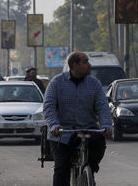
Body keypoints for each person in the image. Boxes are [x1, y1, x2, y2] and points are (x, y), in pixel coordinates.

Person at [44, 51, 113, 186]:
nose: (89, 65)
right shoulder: (57, 82)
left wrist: (106, 125)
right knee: (62, 168)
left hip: (88, 129)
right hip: (63, 132)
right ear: (75, 65)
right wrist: (54, 125)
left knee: (99, 143)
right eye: (85, 62)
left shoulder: (94, 83)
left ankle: (89, 172)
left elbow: (102, 107)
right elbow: (48, 106)